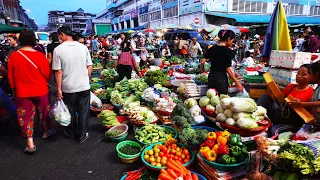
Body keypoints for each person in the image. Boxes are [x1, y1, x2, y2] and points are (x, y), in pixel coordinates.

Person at [8, 29, 53, 153]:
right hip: (40, 89)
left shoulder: (14, 56)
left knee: (25, 116)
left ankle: (30, 142)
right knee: (43, 112)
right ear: (33, 40)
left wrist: (13, 88)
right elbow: (47, 74)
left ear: (20, 40)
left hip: (22, 91)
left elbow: (11, 76)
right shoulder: (39, 55)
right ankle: (45, 132)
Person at [53, 25, 92, 143]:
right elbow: (89, 67)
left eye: (59, 35)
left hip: (68, 88)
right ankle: (82, 135)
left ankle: (71, 132)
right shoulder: (83, 47)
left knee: (70, 110)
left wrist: (58, 89)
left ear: (62, 34)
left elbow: (58, 71)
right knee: (83, 111)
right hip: (84, 87)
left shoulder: (58, 50)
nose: (59, 37)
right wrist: (85, 79)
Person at [200, 30, 244, 94]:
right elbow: (228, 70)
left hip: (211, 77)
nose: (232, 43)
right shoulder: (228, 51)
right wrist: (237, 83)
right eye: (232, 41)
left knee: (211, 99)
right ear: (228, 39)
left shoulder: (212, 48)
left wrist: (202, 72)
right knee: (221, 100)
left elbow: (202, 61)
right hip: (221, 79)